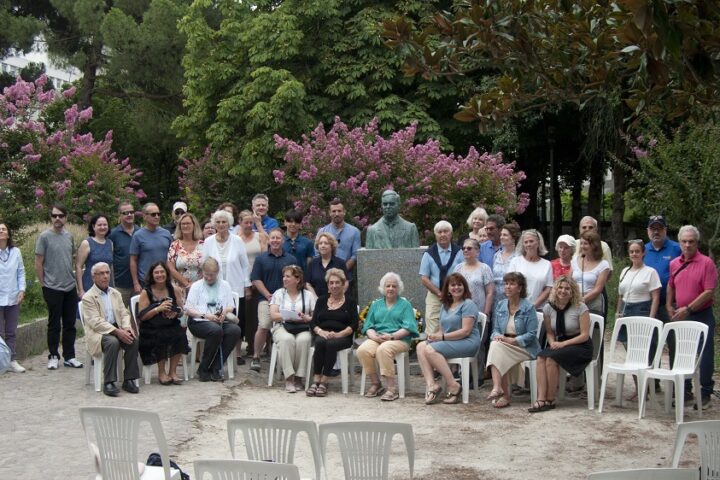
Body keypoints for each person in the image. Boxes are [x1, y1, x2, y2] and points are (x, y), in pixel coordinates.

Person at [667, 225, 717, 410]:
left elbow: (709, 291)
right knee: (683, 353)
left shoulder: (706, 263)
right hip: (681, 314)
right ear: (679, 242)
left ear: (697, 243)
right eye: (684, 241)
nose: (687, 245)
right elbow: (671, 285)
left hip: (701, 313)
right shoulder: (674, 263)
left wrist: (688, 308)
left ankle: (705, 393)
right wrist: (668, 305)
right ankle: (686, 391)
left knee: (705, 354)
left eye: (691, 241)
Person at [530, 276, 593, 412]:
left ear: (572, 291)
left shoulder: (580, 307)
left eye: (567, 288)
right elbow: (550, 332)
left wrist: (563, 344)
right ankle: (541, 398)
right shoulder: (548, 308)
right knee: (541, 357)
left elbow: (584, 335)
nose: (563, 291)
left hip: (580, 345)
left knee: (552, 359)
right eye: (560, 287)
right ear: (555, 289)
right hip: (560, 343)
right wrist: (552, 342)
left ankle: (550, 399)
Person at [416, 273, 480, 404]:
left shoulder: (468, 304)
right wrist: (435, 336)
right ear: (448, 288)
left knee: (430, 350)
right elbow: (442, 329)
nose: (456, 287)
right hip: (451, 341)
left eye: (459, 285)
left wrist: (442, 337)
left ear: (464, 287)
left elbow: (465, 331)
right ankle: (432, 385)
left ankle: (453, 385)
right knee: (421, 346)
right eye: (453, 285)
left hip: (467, 342)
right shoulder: (445, 306)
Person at [357, 272, 419, 402]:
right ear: (383, 288)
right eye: (388, 286)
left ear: (398, 288)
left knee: (384, 349)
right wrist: (374, 337)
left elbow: (408, 327)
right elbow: (368, 326)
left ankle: (391, 388)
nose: (390, 288)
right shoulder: (376, 305)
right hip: (378, 338)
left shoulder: (405, 305)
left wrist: (391, 336)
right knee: (362, 350)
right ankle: (376, 383)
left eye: (394, 286)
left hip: (399, 339)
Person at [35, 204, 83, 370]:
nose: (57, 218)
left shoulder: (69, 236)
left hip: (69, 286)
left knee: (70, 324)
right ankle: (53, 355)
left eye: (61, 216)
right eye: (54, 215)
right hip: (52, 287)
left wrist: (77, 284)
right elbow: (38, 262)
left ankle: (69, 356)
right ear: (51, 217)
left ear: (65, 218)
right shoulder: (44, 237)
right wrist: (43, 284)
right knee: (54, 324)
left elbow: (73, 259)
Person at [81, 262, 140, 396]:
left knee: (133, 339)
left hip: (117, 327)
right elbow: (95, 322)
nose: (105, 276)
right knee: (112, 342)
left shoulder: (115, 293)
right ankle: (109, 381)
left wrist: (126, 327)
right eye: (101, 273)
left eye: (107, 273)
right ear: (94, 277)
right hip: (98, 333)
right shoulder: (88, 297)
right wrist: (117, 332)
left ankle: (129, 379)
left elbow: (124, 313)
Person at [485, 272, 540, 408]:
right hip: (504, 344)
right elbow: (495, 330)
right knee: (496, 345)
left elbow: (532, 334)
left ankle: (502, 392)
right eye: (506, 284)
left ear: (520, 288)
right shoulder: (501, 305)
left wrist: (512, 341)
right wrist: (497, 337)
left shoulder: (528, 307)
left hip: (525, 347)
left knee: (497, 348)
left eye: (512, 284)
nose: (507, 287)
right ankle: (499, 389)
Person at [185, 258, 243, 382]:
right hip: (199, 321)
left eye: (212, 275)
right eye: (206, 274)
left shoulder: (225, 285)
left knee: (235, 330)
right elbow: (188, 310)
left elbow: (231, 306)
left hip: (219, 320)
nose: (209, 278)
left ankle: (216, 367)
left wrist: (224, 313)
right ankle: (203, 368)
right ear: (202, 272)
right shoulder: (196, 286)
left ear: (217, 273)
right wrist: (206, 316)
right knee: (215, 330)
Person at [249, 228, 298, 372]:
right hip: (266, 298)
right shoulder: (261, 259)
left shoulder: (291, 259)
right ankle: (256, 357)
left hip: (286, 299)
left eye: (278, 238)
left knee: (288, 327)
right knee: (264, 325)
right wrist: (268, 295)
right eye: (273, 238)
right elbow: (256, 279)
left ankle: (284, 358)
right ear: (269, 240)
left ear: (283, 240)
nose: (275, 240)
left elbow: (296, 279)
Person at [306, 268, 358, 397]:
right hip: (323, 333)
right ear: (328, 285)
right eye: (331, 283)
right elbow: (313, 322)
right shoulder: (321, 300)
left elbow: (354, 324)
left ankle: (324, 380)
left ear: (343, 284)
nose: (334, 285)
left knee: (331, 344)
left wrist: (338, 334)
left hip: (343, 336)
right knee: (320, 342)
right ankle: (316, 378)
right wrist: (321, 332)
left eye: (337, 282)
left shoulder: (350, 302)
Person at [137, 261, 189, 385]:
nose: (160, 275)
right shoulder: (146, 292)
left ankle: (173, 372)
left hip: (170, 324)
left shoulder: (174, 289)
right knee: (161, 335)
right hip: (150, 327)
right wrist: (158, 309)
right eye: (156, 272)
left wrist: (176, 312)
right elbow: (142, 316)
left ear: (166, 273)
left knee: (179, 334)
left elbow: (182, 310)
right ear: (152, 275)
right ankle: (161, 372)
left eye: (162, 272)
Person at [269, 265, 316, 393]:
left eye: (288, 276)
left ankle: (299, 377)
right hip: (282, 326)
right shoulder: (279, 293)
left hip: (302, 327)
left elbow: (315, 316)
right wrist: (289, 315)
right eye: (284, 276)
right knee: (287, 339)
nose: (284, 279)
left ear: (297, 279)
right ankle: (289, 378)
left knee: (304, 340)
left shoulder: (308, 295)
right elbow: (273, 315)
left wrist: (306, 317)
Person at [419, 220, 463, 334]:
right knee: (433, 328)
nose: (443, 234)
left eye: (445, 231)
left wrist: (454, 293)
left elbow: (463, 274)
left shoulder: (459, 252)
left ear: (451, 234)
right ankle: (432, 344)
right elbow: (424, 278)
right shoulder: (428, 254)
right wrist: (439, 294)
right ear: (435, 235)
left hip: (456, 295)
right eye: (439, 232)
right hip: (434, 296)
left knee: (454, 327)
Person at [202, 210, 252, 308]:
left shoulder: (237, 240)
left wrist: (247, 286)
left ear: (229, 223)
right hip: (214, 287)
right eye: (218, 222)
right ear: (214, 224)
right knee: (216, 314)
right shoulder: (208, 242)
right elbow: (204, 265)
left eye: (224, 222)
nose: (221, 224)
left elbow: (245, 265)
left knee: (236, 315)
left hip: (236, 287)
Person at [238, 209, 268, 360]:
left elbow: (264, 254)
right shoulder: (236, 238)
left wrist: (259, 224)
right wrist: (245, 283)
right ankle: (244, 347)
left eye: (251, 222)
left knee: (257, 316)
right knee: (245, 315)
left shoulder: (258, 236)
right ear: (240, 223)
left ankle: (258, 346)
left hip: (258, 280)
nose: (249, 225)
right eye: (246, 222)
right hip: (241, 280)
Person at [644, 214, 681, 325]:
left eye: (659, 228)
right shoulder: (642, 250)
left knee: (672, 334)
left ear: (665, 230)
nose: (656, 232)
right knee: (650, 335)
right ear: (647, 231)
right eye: (652, 229)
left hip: (671, 304)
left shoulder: (677, 248)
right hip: (647, 304)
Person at [129, 203, 173, 294]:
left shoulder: (166, 234)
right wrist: (136, 283)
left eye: (158, 214)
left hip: (164, 279)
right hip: (146, 281)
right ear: (145, 216)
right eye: (153, 214)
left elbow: (172, 258)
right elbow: (133, 260)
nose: (157, 217)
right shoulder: (138, 236)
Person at [0, 223, 26, 373]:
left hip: (12, 296)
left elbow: (21, 272)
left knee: (11, 331)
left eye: (3, 229)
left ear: (8, 234)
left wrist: (22, 290)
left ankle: (11, 360)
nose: (1, 231)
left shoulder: (16, 252)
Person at [316, 200, 361, 281]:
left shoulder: (354, 232)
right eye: (334, 211)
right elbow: (317, 254)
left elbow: (355, 255)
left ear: (344, 212)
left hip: (346, 278)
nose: (336, 214)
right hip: (325, 278)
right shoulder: (322, 232)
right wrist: (328, 274)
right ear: (330, 213)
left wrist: (341, 272)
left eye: (339, 211)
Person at [507, 229, 553, 308]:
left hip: (538, 308)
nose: (528, 244)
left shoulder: (547, 264)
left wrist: (533, 306)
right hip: (517, 307)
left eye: (531, 241)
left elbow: (548, 288)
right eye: (526, 242)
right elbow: (509, 285)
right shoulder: (515, 261)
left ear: (538, 243)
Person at [571, 231, 610, 315]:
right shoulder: (575, 259)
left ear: (594, 245)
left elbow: (598, 289)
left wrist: (582, 300)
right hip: (574, 300)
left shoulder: (603, 265)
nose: (582, 246)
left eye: (585, 244)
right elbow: (569, 280)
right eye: (581, 243)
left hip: (593, 303)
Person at [76, 214, 114, 299]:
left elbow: (110, 267)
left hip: (106, 285)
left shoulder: (110, 243)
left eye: (105, 225)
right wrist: (81, 290)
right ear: (93, 226)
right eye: (99, 225)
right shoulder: (87, 243)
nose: (102, 227)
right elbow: (78, 266)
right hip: (90, 285)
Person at [454, 239, 494, 319]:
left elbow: (490, 292)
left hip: (479, 313)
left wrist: (486, 314)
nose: (465, 250)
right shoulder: (458, 268)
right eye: (464, 248)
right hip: (460, 313)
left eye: (469, 248)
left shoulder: (484, 268)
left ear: (477, 251)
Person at [109, 201, 137, 306]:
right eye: (125, 213)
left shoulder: (141, 232)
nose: (129, 215)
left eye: (131, 212)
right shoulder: (113, 234)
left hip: (139, 283)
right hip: (120, 285)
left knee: (139, 314)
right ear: (119, 215)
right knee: (119, 313)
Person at [167, 213, 204, 292]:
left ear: (194, 225)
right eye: (183, 224)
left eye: (188, 223)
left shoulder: (203, 245)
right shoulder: (175, 245)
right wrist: (186, 284)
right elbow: (171, 268)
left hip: (200, 288)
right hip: (179, 290)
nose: (185, 226)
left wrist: (195, 285)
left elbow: (207, 267)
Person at [306, 232, 348, 298]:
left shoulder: (340, 263)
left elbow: (346, 282)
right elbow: (308, 283)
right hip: (317, 300)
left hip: (336, 300)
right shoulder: (312, 263)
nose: (323, 246)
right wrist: (315, 297)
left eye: (326, 243)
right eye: (320, 243)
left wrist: (337, 297)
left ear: (332, 246)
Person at [492, 222, 521, 306]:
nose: (501, 237)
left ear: (513, 238)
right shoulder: (497, 255)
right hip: (496, 298)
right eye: (501, 235)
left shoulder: (519, 256)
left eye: (505, 235)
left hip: (511, 297)